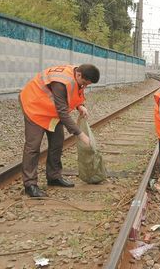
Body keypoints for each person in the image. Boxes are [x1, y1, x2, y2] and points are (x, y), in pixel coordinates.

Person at [20, 64, 100, 197]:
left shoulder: (76, 74)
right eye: (84, 83)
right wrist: (80, 134)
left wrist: (80, 105)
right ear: (79, 75)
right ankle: (30, 185)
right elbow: (63, 113)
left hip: (51, 110)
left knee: (57, 142)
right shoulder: (60, 82)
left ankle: (54, 177)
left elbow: (71, 94)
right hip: (34, 107)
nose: (85, 87)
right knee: (33, 146)